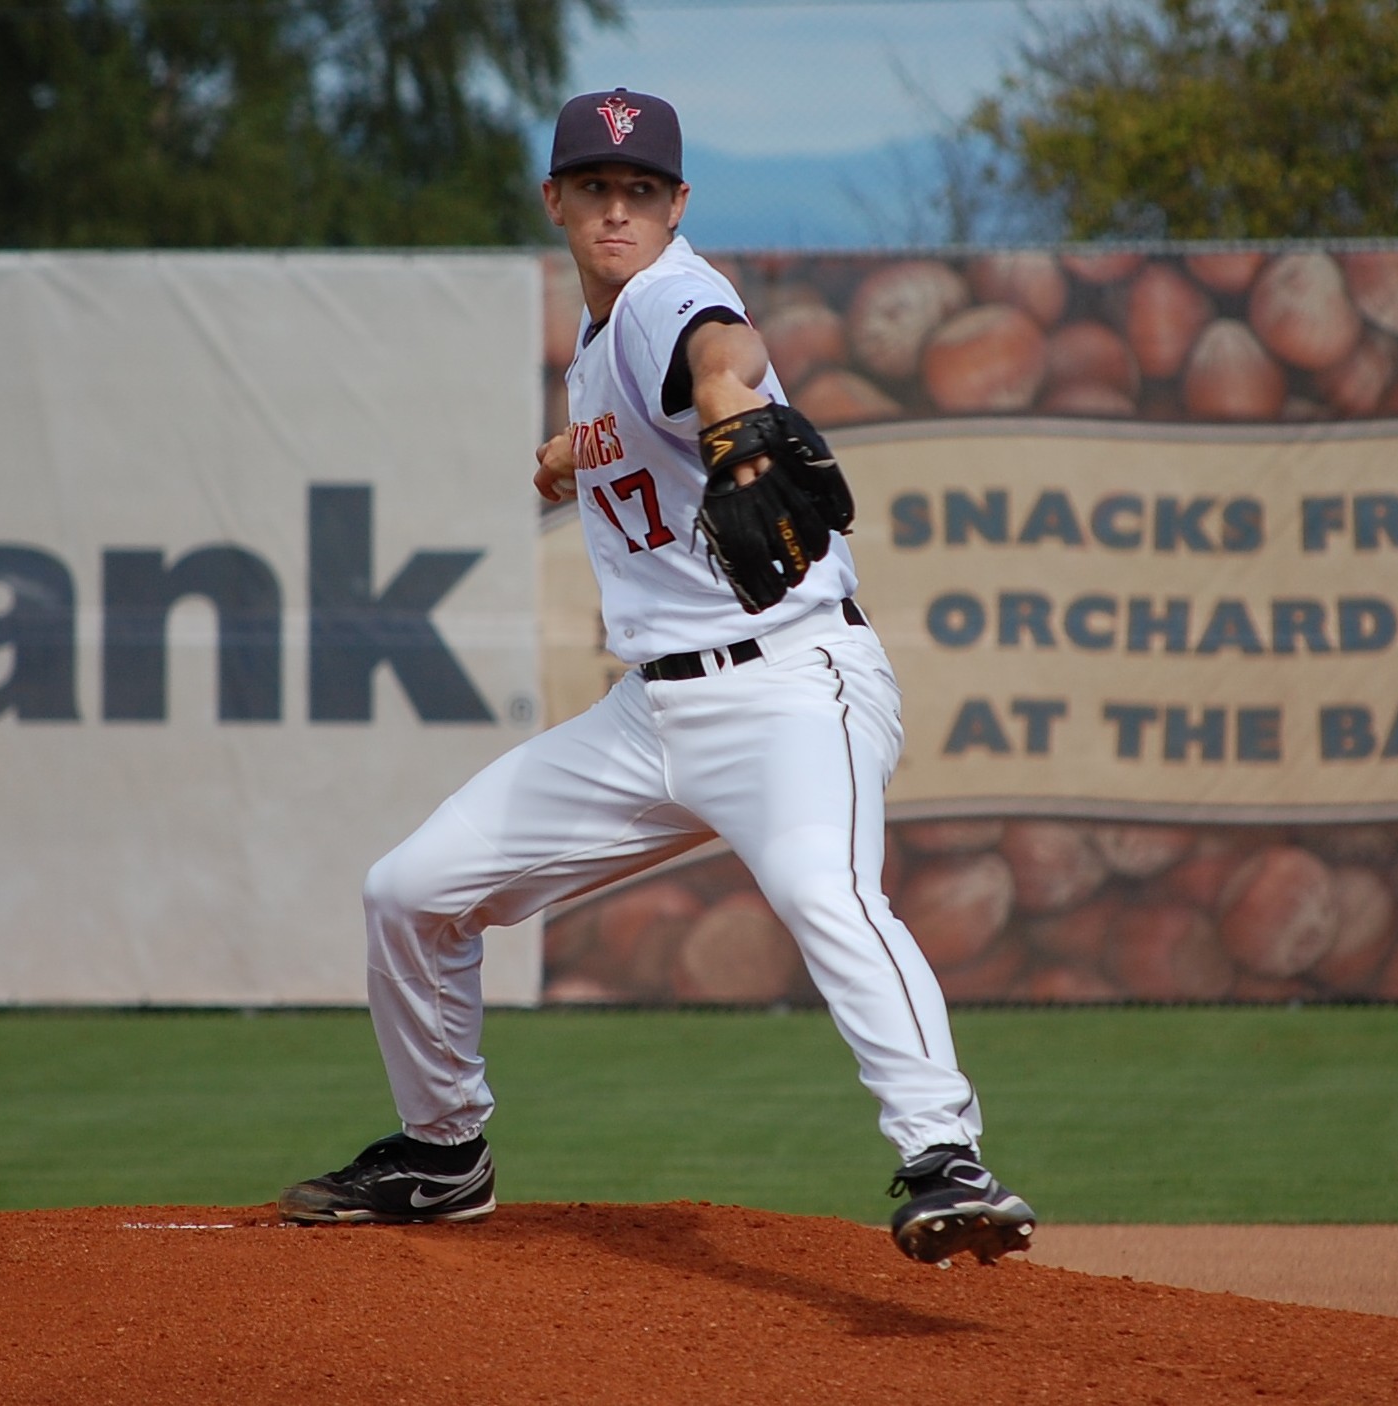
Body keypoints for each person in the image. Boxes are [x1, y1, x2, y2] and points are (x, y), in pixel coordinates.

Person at [278, 88, 1035, 1268]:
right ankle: (442, 1151)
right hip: (650, 714)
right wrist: (565, 455)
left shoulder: (663, 299)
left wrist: (730, 409)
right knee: (410, 891)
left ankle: (947, 1154)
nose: (617, 211)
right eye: (595, 188)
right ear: (555, 200)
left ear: (677, 205)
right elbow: (621, 426)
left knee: (823, 891)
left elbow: (718, 348)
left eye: (640, 191)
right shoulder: (597, 345)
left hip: (792, 686)